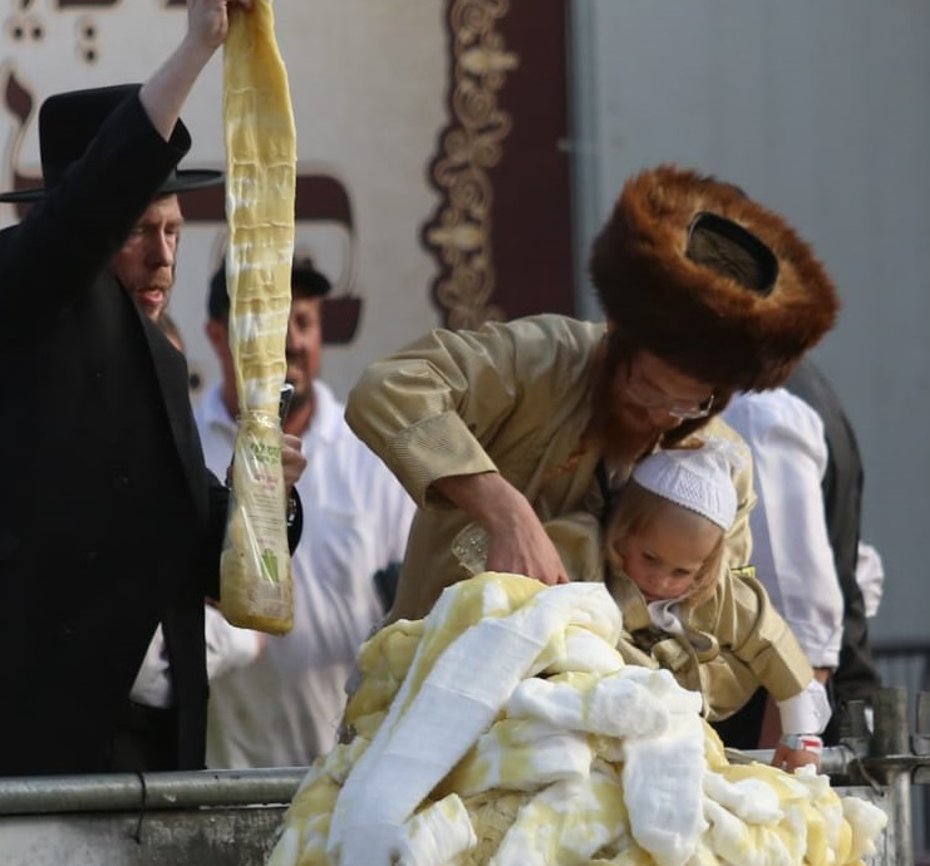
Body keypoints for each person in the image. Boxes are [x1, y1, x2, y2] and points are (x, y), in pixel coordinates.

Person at [0, 0, 306, 776]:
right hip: (41, 745)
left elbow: (203, 555)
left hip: (160, 754)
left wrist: (265, 500)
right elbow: (78, 222)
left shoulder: (164, 361)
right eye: (140, 231)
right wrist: (199, 49)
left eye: (173, 231)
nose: (164, 258)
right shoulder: (24, 295)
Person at [345, 165, 841, 628]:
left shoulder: (721, 466)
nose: (659, 417)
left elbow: (717, 634)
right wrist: (504, 510)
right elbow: (389, 388)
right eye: (645, 387)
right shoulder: (541, 360)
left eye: (688, 404)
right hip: (436, 680)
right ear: (617, 342)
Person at [198, 259, 417, 768]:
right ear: (216, 335)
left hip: (347, 777)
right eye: (271, 321)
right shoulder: (183, 448)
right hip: (219, 780)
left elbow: (416, 605)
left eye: (304, 322)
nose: (291, 341)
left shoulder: (372, 455)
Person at [600, 441, 830, 771]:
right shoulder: (592, 563)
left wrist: (800, 738)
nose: (661, 582)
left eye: (682, 571)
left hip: (693, 731)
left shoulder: (722, 595)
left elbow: (779, 652)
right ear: (621, 533)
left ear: (708, 565)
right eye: (649, 558)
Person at [717, 359, 884, 749]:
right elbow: (857, 566)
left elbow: (801, 627)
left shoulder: (756, 411)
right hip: (804, 720)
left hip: (787, 730)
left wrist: (775, 785)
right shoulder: (784, 389)